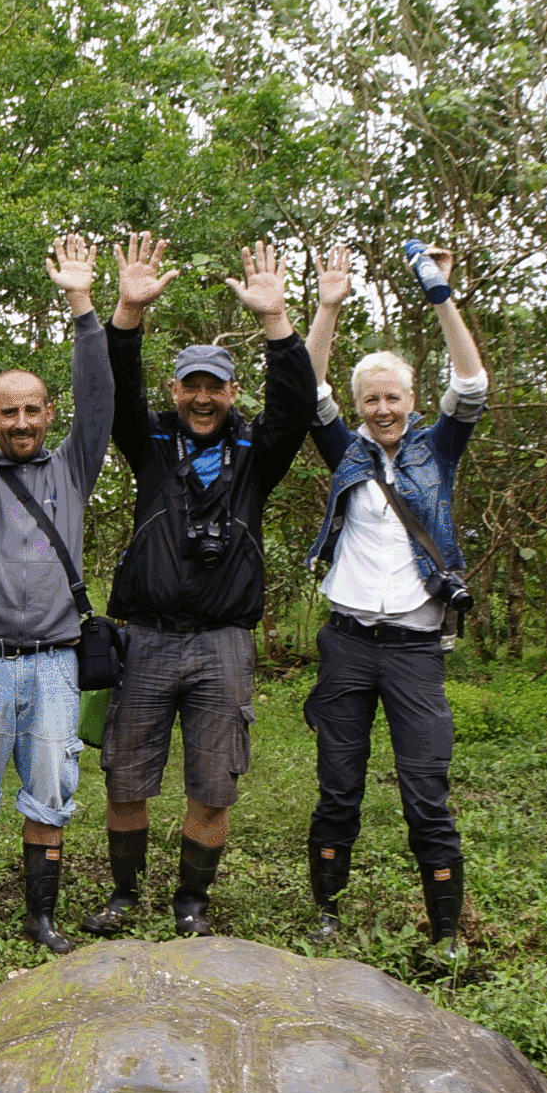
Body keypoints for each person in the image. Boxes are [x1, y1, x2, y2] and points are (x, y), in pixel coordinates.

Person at [85, 236, 316, 938]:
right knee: (126, 781)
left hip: (223, 645)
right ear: (176, 390)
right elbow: (115, 387)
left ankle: (192, 902)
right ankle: (125, 895)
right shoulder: (151, 443)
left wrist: (277, 322)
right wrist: (127, 310)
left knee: (213, 786)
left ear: (233, 393)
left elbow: (299, 404)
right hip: (146, 640)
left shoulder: (256, 454)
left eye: (217, 386)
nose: (204, 397)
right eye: (193, 385)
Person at [299, 242, 490, 955]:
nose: (383, 409)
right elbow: (303, 389)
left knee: (425, 793)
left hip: (415, 649)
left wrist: (439, 293)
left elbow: (471, 384)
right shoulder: (344, 452)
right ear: (359, 407)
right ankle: (328, 914)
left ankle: (445, 933)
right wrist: (327, 306)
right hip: (348, 643)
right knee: (338, 787)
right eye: (371, 399)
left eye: (394, 397)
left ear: (412, 400)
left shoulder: (437, 450)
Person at [0, 234, 115, 953]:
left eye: (33, 410)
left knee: (52, 794)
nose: (22, 423)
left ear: (49, 413)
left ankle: (41, 919)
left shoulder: (73, 470)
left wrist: (82, 304)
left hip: (56, 664)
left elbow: (99, 396)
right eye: (7, 413)